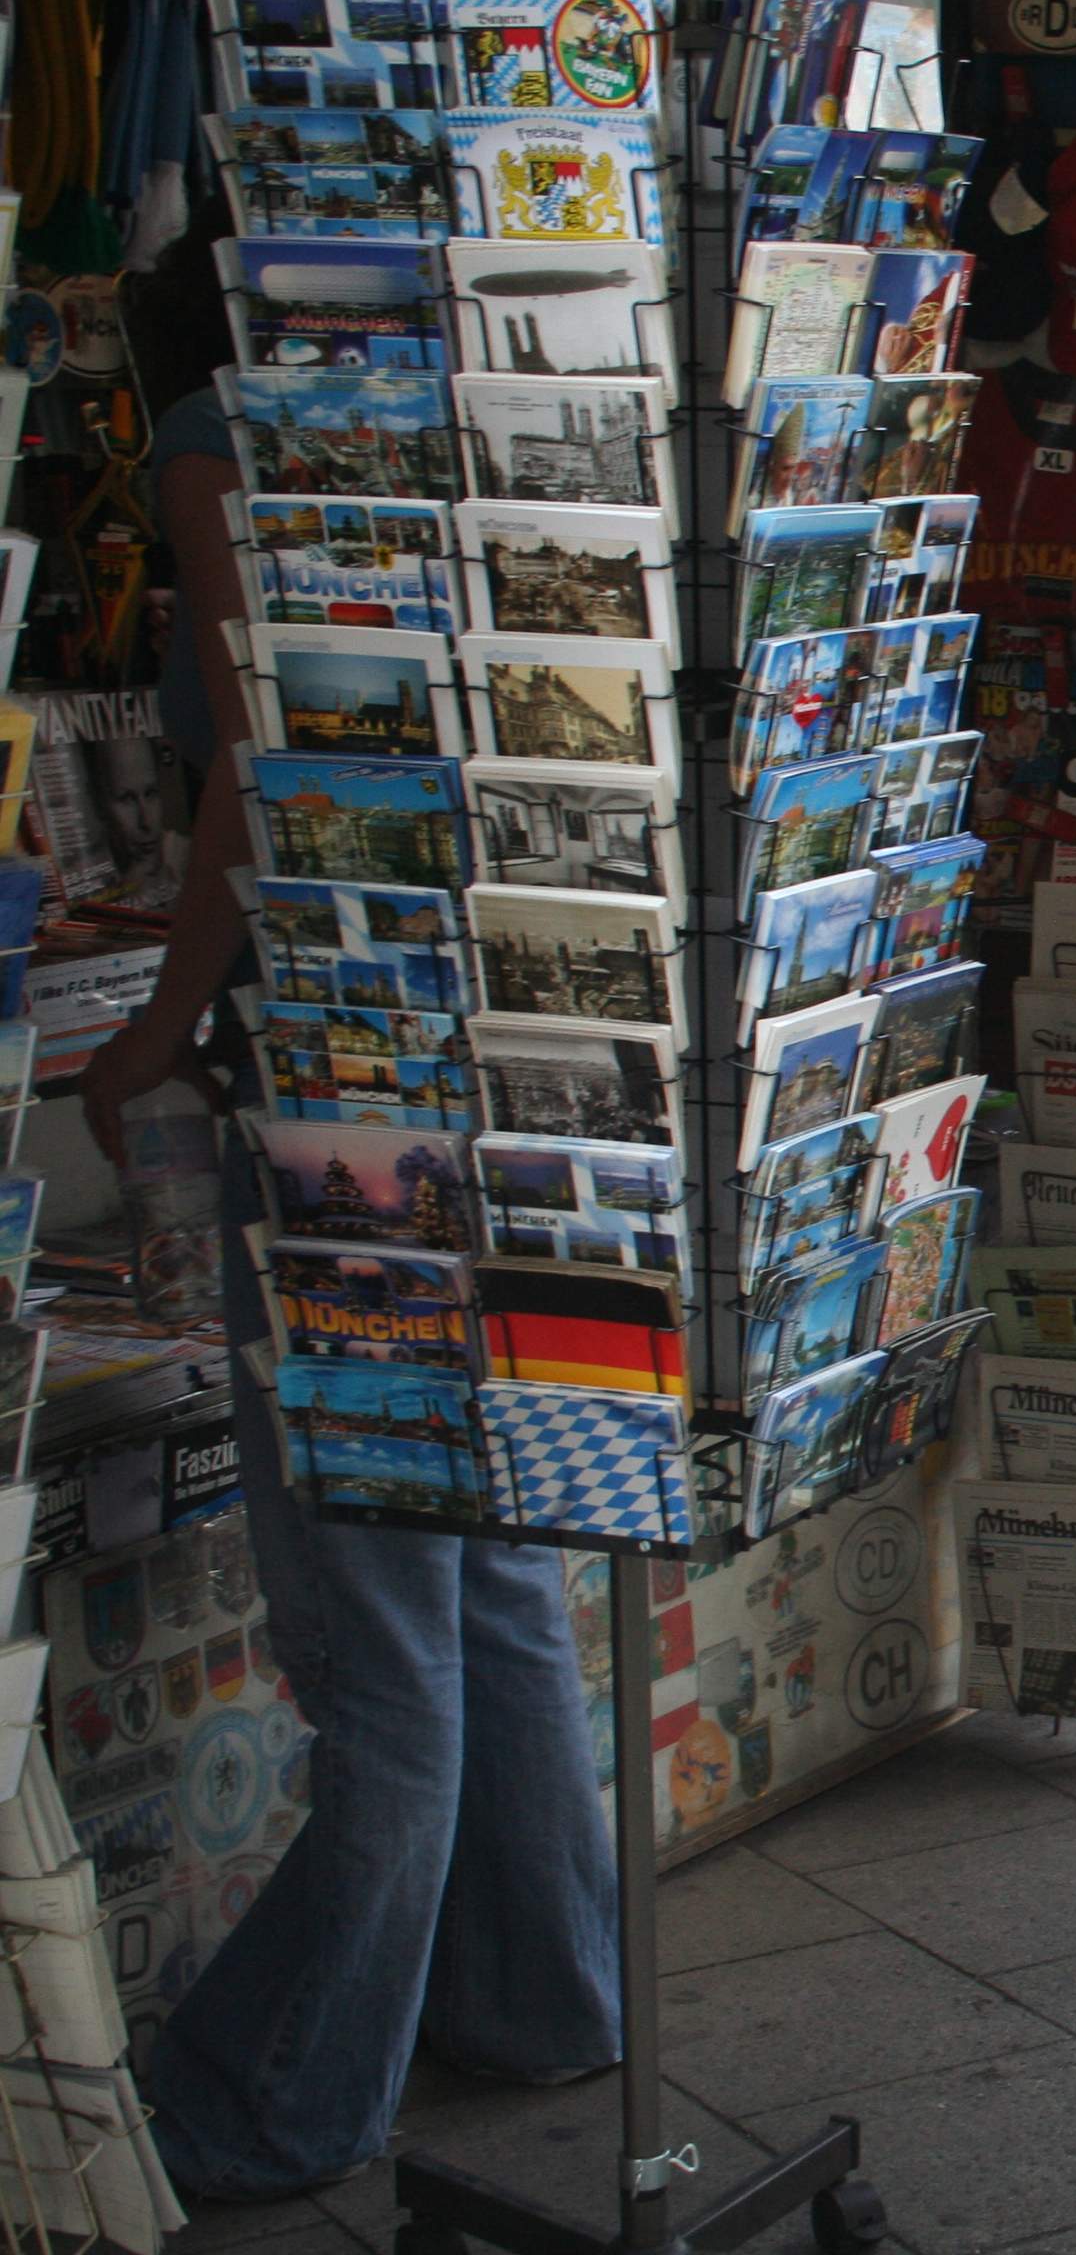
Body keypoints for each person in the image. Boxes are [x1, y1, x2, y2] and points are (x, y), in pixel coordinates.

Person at [77, 225, 619, 2200]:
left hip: (335, 1098)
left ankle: (281, 2097)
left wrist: (151, 1026)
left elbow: (262, 748)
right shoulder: (456, 422)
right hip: (500, 1069)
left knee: (383, 1636)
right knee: (481, 1589)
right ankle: (547, 1995)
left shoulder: (221, 437)